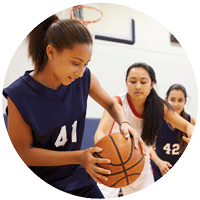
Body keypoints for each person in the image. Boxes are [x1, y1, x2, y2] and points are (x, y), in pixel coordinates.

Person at [3, 15, 145, 198]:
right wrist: (79, 156)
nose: (80, 71)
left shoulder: (84, 78)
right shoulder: (19, 94)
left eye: (85, 64)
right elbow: (23, 153)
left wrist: (125, 123)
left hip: (76, 177)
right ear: (51, 52)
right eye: (75, 63)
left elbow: (112, 104)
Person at [94, 63, 194, 197]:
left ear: (152, 84)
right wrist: (106, 154)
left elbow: (187, 126)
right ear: (126, 82)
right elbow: (100, 133)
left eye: (143, 82)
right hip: (112, 162)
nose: (138, 86)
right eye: (133, 81)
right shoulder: (117, 102)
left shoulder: (159, 106)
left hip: (140, 164)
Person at [150, 84, 195, 181]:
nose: (176, 104)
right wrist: (159, 162)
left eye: (180, 100)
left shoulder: (190, 121)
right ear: (166, 101)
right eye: (172, 99)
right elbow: (149, 146)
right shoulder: (158, 120)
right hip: (159, 165)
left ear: (185, 102)